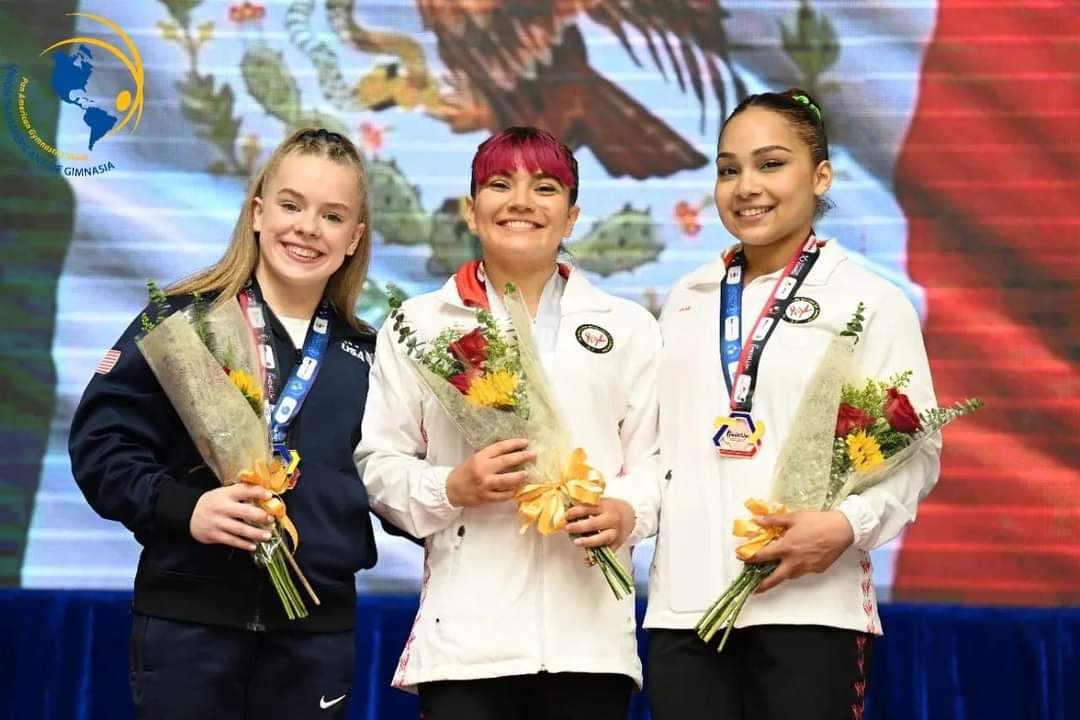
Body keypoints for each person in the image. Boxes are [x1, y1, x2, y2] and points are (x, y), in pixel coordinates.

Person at [636, 90, 942, 719]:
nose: (746, 186)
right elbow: (659, 451)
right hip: (685, 612)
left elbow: (916, 453)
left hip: (811, 608)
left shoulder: (868, 300)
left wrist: (847, 526)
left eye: (770, 164)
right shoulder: (686, 298)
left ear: (821, 175)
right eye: (728, 169)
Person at [70, 128, 381, 719]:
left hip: (314, 637)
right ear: (258, 213)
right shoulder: (183, 324)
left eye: (332, 215)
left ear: (353, 238)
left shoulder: (371, 356)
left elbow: (393, 475)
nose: (307, 227)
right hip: (188, 623)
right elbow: (100, 445)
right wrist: (184, 508)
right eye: (290, 205)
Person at [355, 126, 660, 720]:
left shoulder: (628, 327)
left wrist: (626, 512)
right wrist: (451, 487)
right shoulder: (418, 326)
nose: (521, 201)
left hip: (590, 643)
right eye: (500, 184)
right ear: (472, 211)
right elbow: (378, 465)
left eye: (545, 188)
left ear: (571, 218)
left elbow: (657, 463)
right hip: (467, 645)